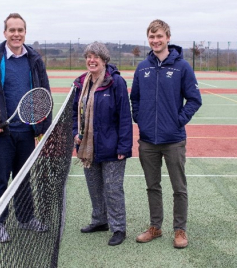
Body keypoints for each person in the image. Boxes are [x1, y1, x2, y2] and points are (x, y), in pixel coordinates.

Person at [0, 13, 52, 242]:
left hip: (26, 133)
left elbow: (43, 95)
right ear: (5, 33)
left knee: (24, 179)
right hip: (1, 135)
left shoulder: (34, 59)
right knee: (0, 181)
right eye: (12, 30)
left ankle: (25, 219)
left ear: (25, 32)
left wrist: (42, 126)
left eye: (20, 30)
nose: (16, 34)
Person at [130, 19, 202, 249]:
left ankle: (180, 230)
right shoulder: (143, 67)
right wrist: (140, 119)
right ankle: (155, 227)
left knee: (179, 187)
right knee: (152, 186)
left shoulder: (182, 67)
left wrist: (177, 122)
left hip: (173, 140)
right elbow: (136, 99)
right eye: (151, 37)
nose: (155, 40)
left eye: (159, 36)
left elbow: (194, 99)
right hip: (148, 141)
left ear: (168, 37)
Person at [72, 42, 133, 246]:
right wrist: (75, 133)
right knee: (94, 187)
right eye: (88, 56)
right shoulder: (81, 83)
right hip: (88, 147)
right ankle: (100, 221)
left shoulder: (115, 82)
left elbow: (125, 116)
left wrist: (124, 147)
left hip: (112, 146)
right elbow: (74, 113)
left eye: (96, 56)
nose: (91, 60)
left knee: (113, 189)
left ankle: (118, 228)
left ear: (104, 60)